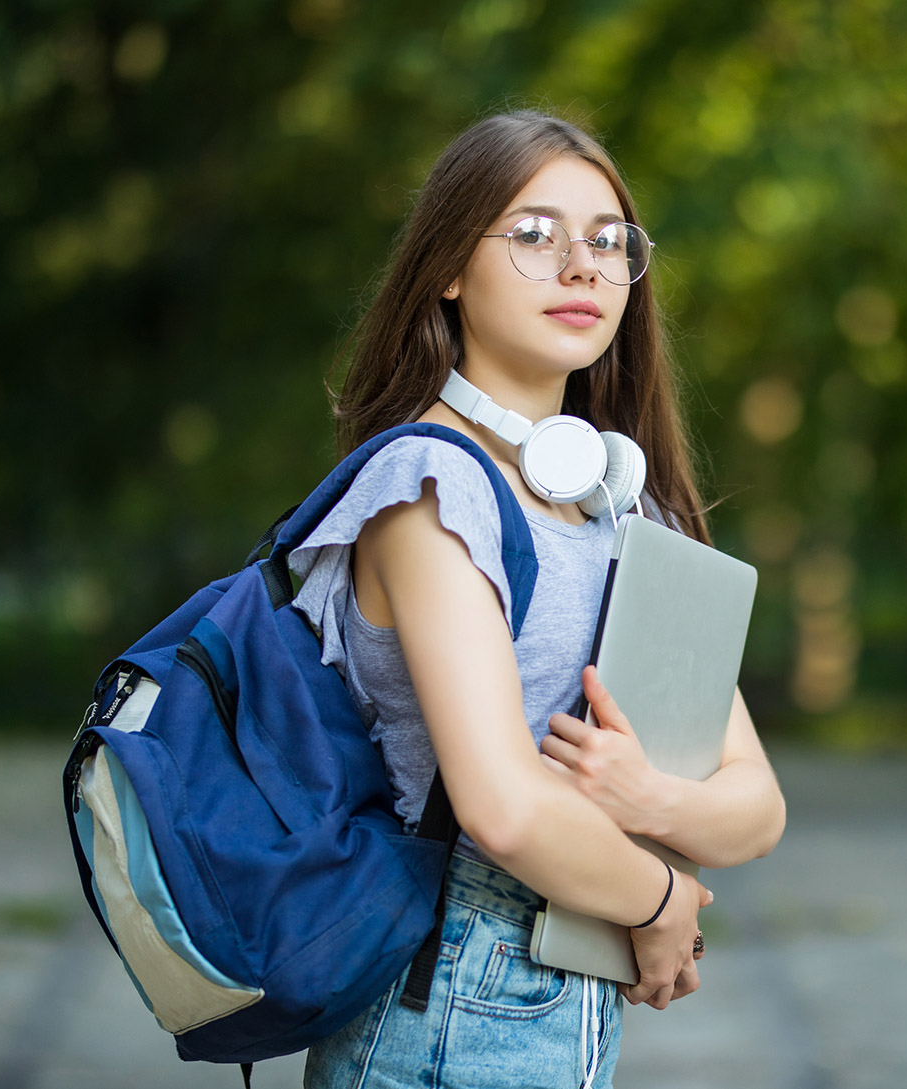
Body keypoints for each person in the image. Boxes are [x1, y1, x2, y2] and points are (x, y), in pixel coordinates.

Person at [289, 110, 786, 1089]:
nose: (583, 265)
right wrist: (657, 898)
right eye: (532, 234)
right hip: (443, 995)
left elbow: (757, 807)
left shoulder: (622, 501)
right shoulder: (430, 487)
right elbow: (504, 809)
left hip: (574, 996)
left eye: (609, 241)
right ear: (446, 267)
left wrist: (650, 799)